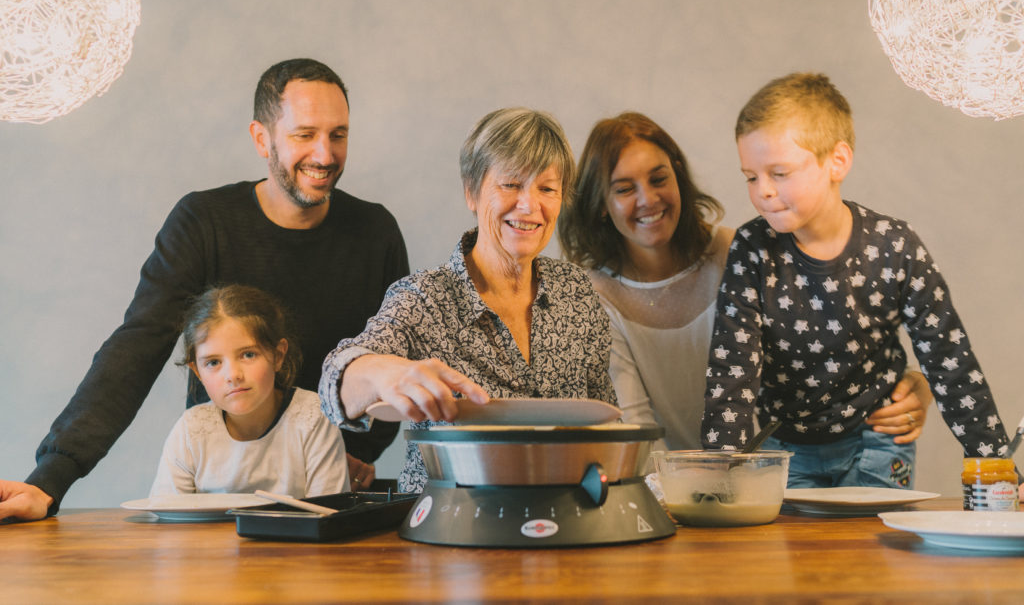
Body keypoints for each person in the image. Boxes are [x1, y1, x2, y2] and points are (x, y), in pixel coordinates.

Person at [0, 58, 407, 522]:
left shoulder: (376, 231)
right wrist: (50, 480)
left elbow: (395, 356)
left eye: (338, 134)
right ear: (261, 138)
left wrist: (361, 448)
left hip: (323, 496)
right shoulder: (202, 222)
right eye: (304, 134)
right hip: (218, 500)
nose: (325, 154)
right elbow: (137, 346)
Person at [702, 72, 1012, 489]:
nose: (764, 193)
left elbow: (950, 360)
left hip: (878, 441)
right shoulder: (752, 247)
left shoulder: (895, 247)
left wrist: (996, 469)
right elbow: (732, 368)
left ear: (837, 161)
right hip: (783, 448)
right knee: (795, 551)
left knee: (870, 548)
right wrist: (721, 479)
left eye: (779, 173)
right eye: (751, 177)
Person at [559, 111, 930, 453]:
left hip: (778, 475)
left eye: (659, 179)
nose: (648, 199)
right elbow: (634, 429)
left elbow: (829, 346)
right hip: (666, 490)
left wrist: (913, 384)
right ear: (601, 204)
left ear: (678, 178)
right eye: (624, 189)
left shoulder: (737, 254)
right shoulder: (591, 297)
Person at [320, 107, 616, 493]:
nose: (529, 205)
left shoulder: (576, 293)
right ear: (471, 191)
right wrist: (381, 372)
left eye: (547, 188)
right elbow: (334, 385)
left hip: (566, 523)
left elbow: (606, 424)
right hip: (448, 529)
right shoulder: (425, 298)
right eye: (510, 184)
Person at [150, 285, 349, 497]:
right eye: (214, 362)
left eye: (248, 355)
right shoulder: (190, 430)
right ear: (197, 372)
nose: (233, 375)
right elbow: (166, 514)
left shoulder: (313, 418)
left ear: (278, 355)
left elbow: (329, 514)